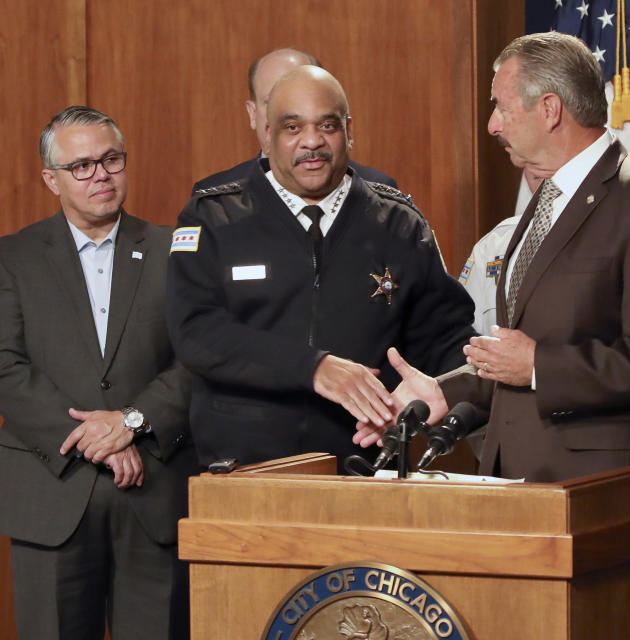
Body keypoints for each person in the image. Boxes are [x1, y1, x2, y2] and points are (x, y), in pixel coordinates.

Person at [356, 32, 630, 493]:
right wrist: (444, 391)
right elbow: (519, 357)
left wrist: (540, 365)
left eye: (501, 107)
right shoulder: (547, 199)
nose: (492, 126)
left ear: (549, 109)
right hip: (523, 482)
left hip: (604, 491)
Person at [166, 66, 475, 472]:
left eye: (327, 126)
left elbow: (447, 339)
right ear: (266, 134)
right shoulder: (213, 216)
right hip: (241, 473)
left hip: (363, 468)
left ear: (349, 130)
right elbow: (196, 333)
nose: (311, 142)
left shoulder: (399, 223)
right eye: (292, 127)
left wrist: (419, 399)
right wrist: (314, 367)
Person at [0, 106, 195, 639]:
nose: (100, 175)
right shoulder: (12, 257)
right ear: (51, 179)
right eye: (81, 166)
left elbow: (199, 359)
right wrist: (94, 438)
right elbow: (5, 367)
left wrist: (131, 421)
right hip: (51, 494)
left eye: (110, 159)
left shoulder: (175, 251)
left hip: (154, 490)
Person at [193, 47, 396, 192]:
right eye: (273, 102)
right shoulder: (212, 200)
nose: (310, 140)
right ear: (253, 114)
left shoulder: (380, 194)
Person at [460, 167, 542, 335]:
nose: (537, 172)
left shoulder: (603, 234)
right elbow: (465, 333)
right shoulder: (494, 243)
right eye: (530, 165)